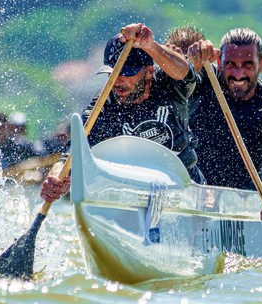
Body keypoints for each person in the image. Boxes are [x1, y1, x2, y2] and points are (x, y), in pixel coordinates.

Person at [40, 23, 203, 203]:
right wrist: (55, 179)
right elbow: (70, 154)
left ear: (148, 72)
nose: (117, 80)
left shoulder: (167, 83)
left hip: (185, 188)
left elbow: (186, 73)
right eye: (113, 72)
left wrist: (150, 45)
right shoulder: (104, 105)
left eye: (127, 73)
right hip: (136, 196)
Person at [186, 28, 262, 234]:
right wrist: (192, 60)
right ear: (219, 62)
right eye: (230, 64)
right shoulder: (204, 79)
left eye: (247, 65)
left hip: (244, 208)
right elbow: (174, 79)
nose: (238, 74)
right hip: (193, 199)